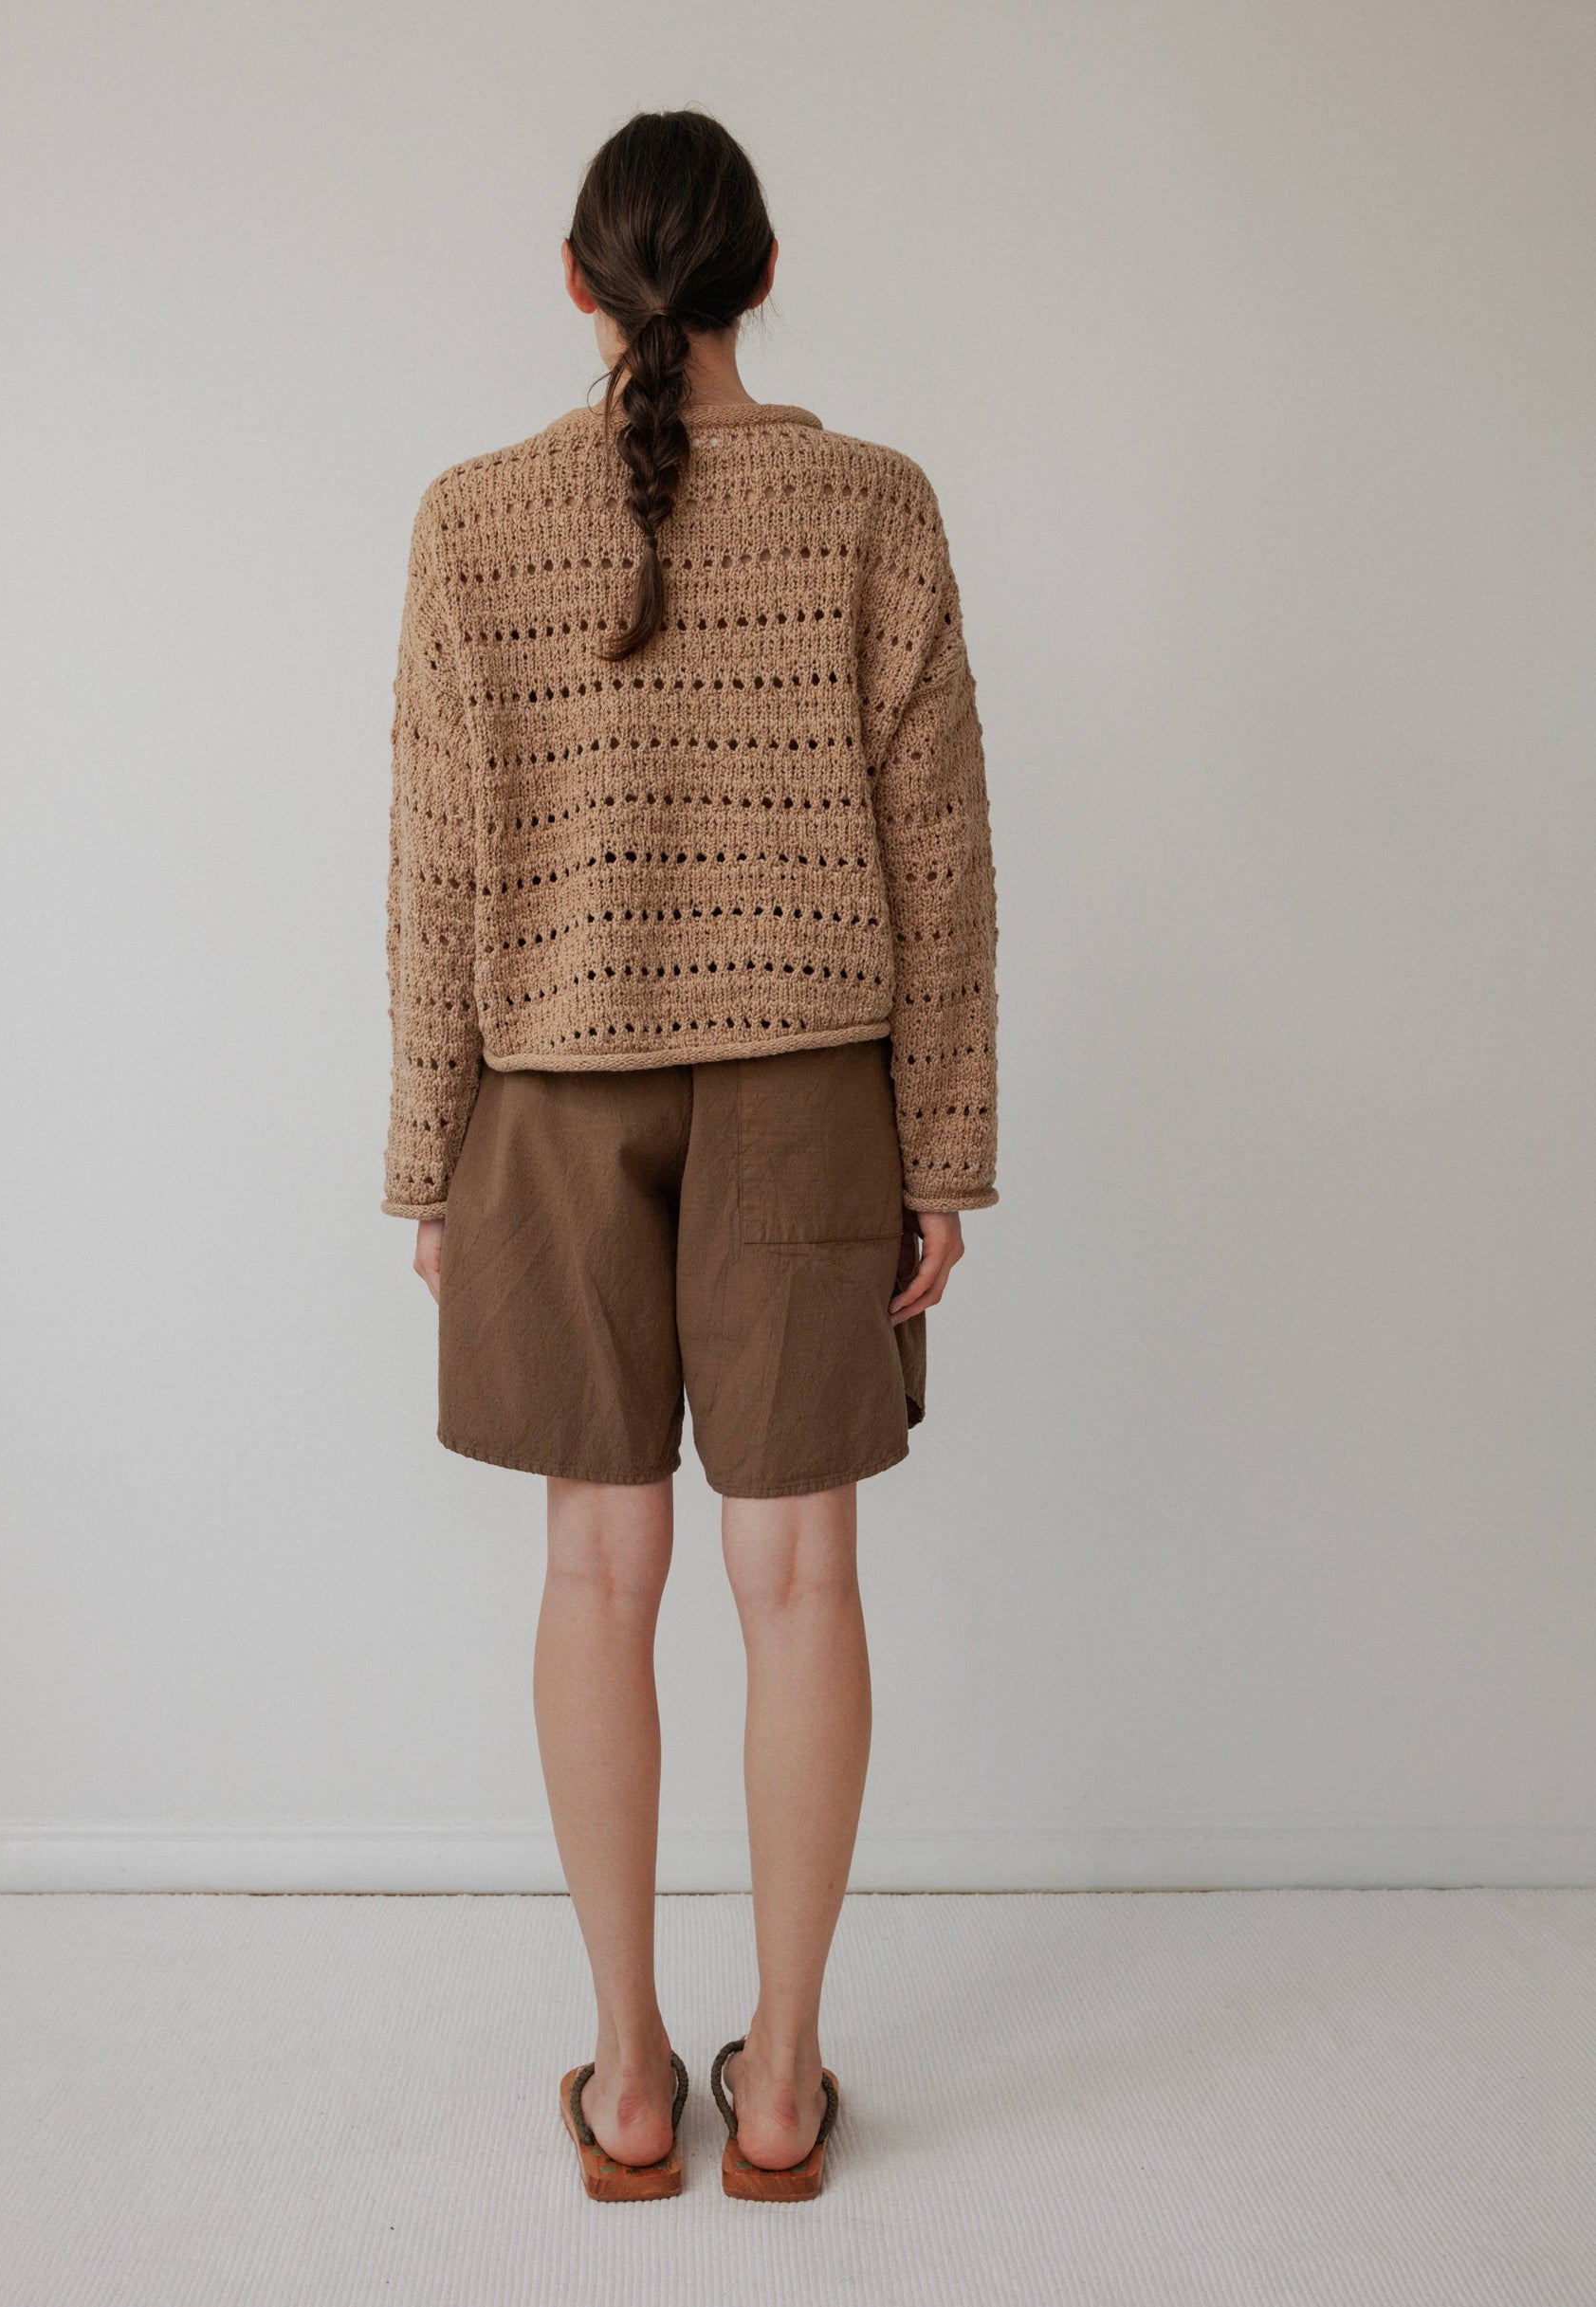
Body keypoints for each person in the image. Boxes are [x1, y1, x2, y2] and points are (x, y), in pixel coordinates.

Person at [382, 109, 998, 2200]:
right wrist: (942, 1146)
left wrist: (427, 1159)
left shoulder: (472, 520)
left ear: (577, 282)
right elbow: (940, 858)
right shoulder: (871, 504)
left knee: (594, 1565)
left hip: (549, 1096)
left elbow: (435, 869)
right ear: (758, 274)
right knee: (799, 1572)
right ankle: (784, 2084)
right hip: (815, 1089)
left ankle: (632, 2078)